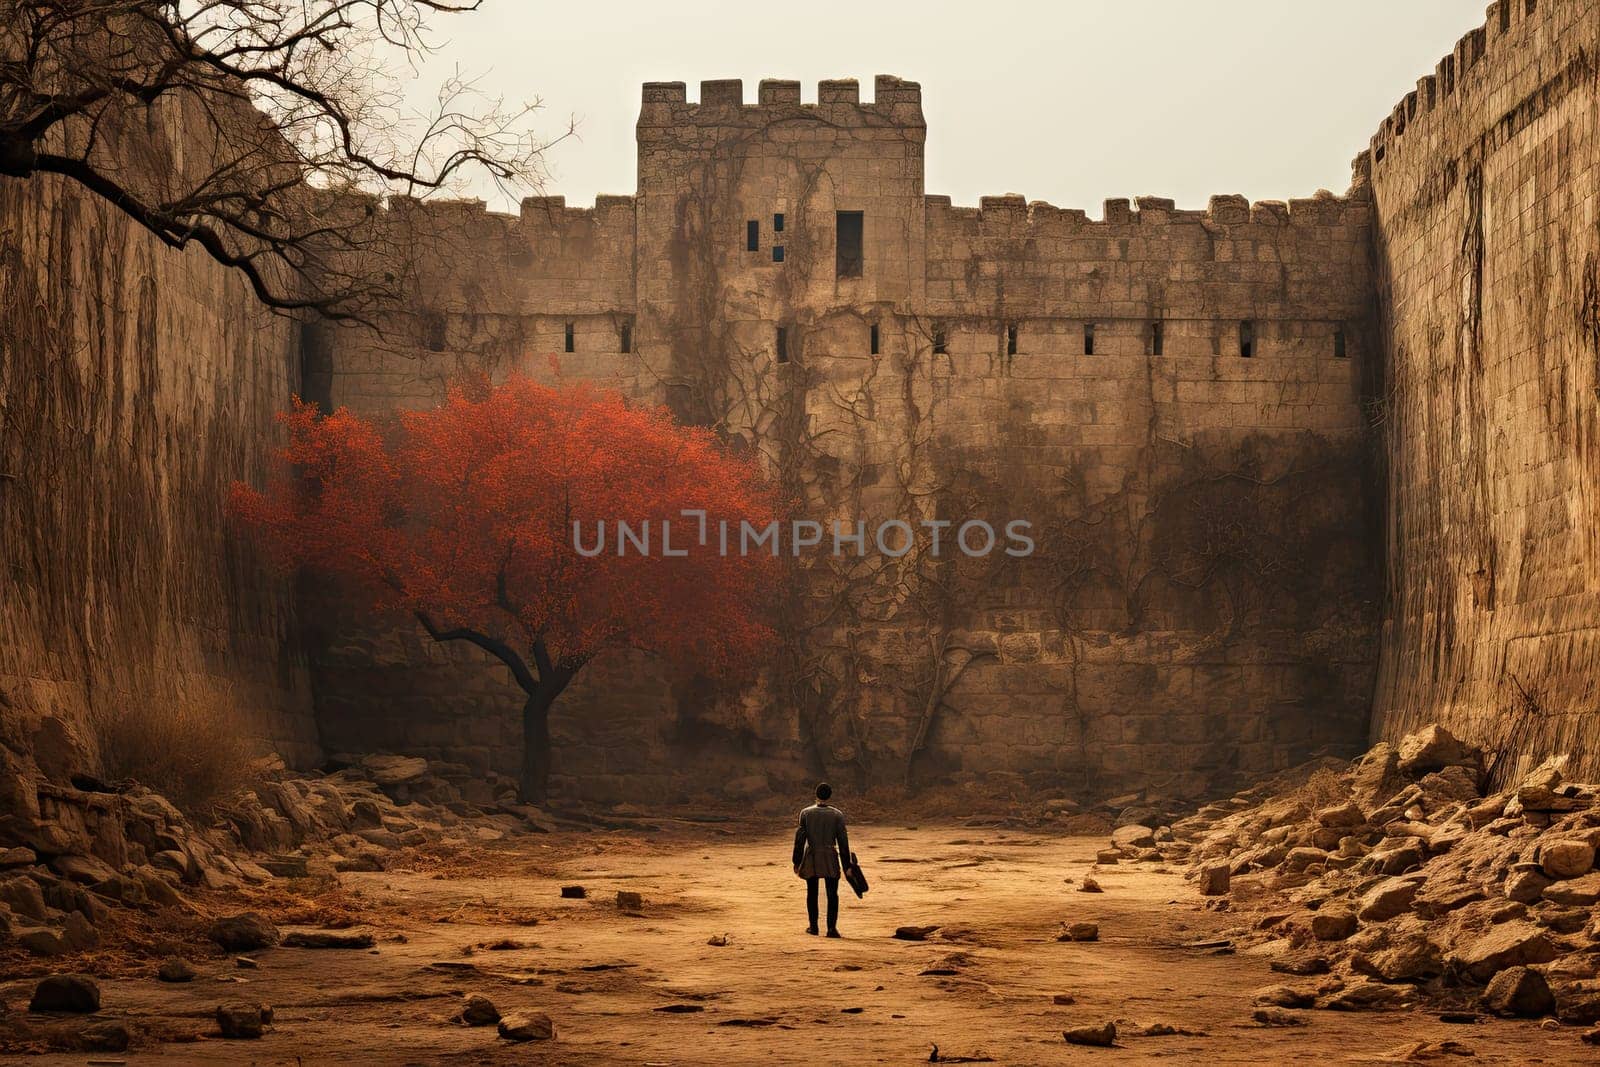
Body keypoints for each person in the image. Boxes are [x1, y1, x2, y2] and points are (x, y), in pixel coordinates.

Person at [792, 782, 852, 937]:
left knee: (812, 893)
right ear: (830, 795)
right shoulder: (837, 815)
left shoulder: (805, 813)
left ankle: (814, 927)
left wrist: (796, 861)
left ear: (816, 795)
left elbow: (799, 839)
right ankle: (831, 929)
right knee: (833, 894)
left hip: (811, 855)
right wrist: (847, 865)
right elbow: (843, 842)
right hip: (830, 856)